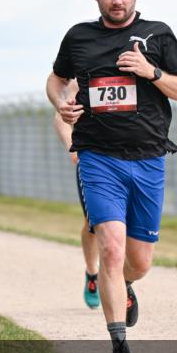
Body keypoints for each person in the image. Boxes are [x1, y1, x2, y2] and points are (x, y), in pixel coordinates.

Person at [46, 0, 177, 353]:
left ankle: (125, 285)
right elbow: (55, 80)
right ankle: (120, 351)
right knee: (110, 247)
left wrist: (151, 71)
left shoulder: (157, 35)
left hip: (148, 160)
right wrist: (62, 104)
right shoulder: (79, 38)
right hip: (98, 159)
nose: (117, 0)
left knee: (139, 262)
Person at [51, 87, 101, 309]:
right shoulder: (80, 76)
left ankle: (122, 281)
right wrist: (73, 146)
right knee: (93, 223)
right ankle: (93, 274)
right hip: (92, 159)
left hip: (127, 156)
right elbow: (60, 117)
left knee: (127, 223)